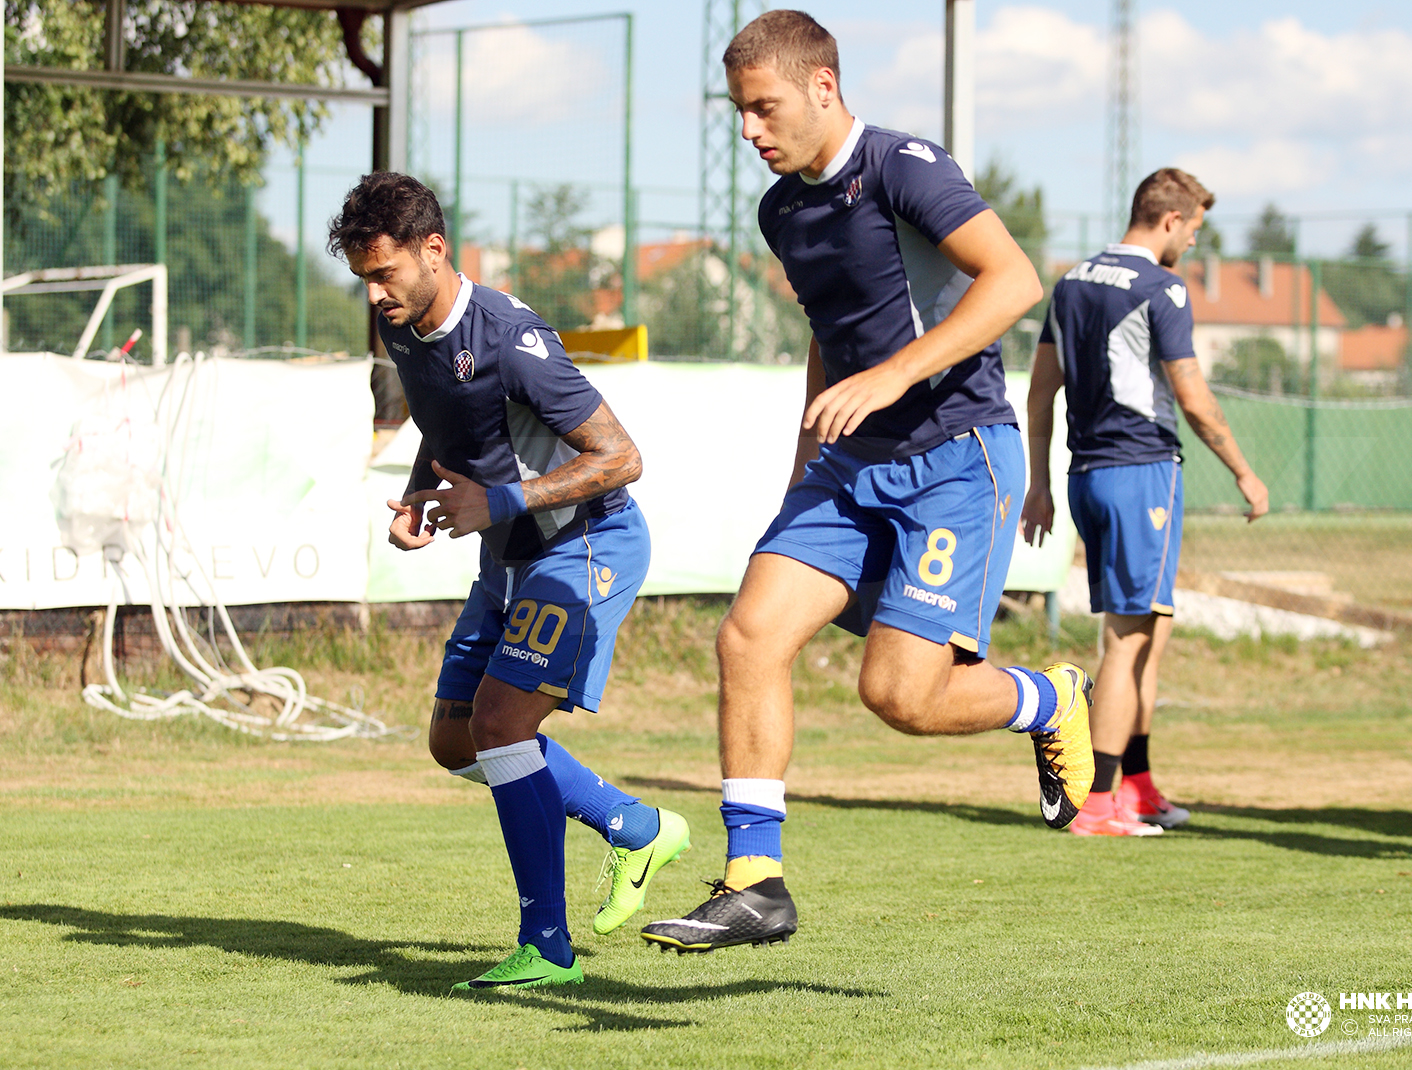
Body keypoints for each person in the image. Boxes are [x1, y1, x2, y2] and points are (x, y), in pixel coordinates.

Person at [639, 10, 1094, 956]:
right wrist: (803, 472)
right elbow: (833, 334)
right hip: (848, 470)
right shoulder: (781, 210)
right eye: (739, 113)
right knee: (749, 636)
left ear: (823, 88)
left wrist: (893, 375)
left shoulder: (904, 165)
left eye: (764, 109)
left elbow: (1012, 283)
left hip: (955, 458)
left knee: (900, 697)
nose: (751, 131)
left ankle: (1049, 699)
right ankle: (755, 882)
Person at [327, 173, 691, 990]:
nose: (376, 295)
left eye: (385, 274)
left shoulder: (508, 338)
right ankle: (635, 825)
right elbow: (444, 422)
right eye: (363, 279)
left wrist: (497, 499)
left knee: (499, 727)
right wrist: (423, 496)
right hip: (509, 554)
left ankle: (547, 949)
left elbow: (622, 458)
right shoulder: (404, 327)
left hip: (584, 545)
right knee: (454, 742)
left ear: (433, 250)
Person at [1020, 168, 1268, 837]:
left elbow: (1040, 391)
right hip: (1142, 471)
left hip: (1087, 474)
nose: (1191, 243)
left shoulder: (1071, 282)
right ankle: (1097, 803)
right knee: (1128, 641)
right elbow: (1192, 397)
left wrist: (1039, 484)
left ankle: (1138, 786)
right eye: (1193, 229)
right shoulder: (1162, 287)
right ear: (1169, 220)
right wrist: (1245, 471)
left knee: (1149, 631)